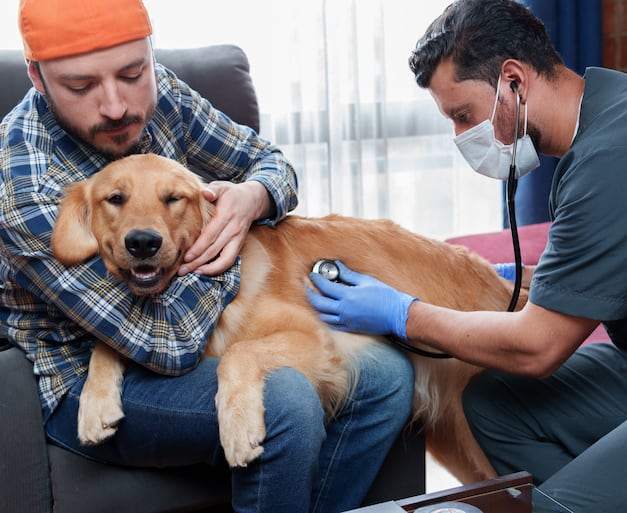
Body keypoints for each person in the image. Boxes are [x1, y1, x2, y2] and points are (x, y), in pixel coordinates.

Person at [307, 0, 627, 511]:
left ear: (513, 81)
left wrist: (402, 313)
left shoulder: (617, 155)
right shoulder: (612, 112)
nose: (461, 137)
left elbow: (537, 347)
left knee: (554, 504)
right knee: (493, 403)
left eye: (463, 116)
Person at [0, 0, 413, 511]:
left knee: (387, 378)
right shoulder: (24, 186)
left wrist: (251, 199)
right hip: (83, 370)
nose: (115, 105)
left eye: (133, 72)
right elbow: (164, 339)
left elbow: (270, 164)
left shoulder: (160, 95)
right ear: (37, 79)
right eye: (82, 87)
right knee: (283, 400)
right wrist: (223, 237)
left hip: (192, 325)